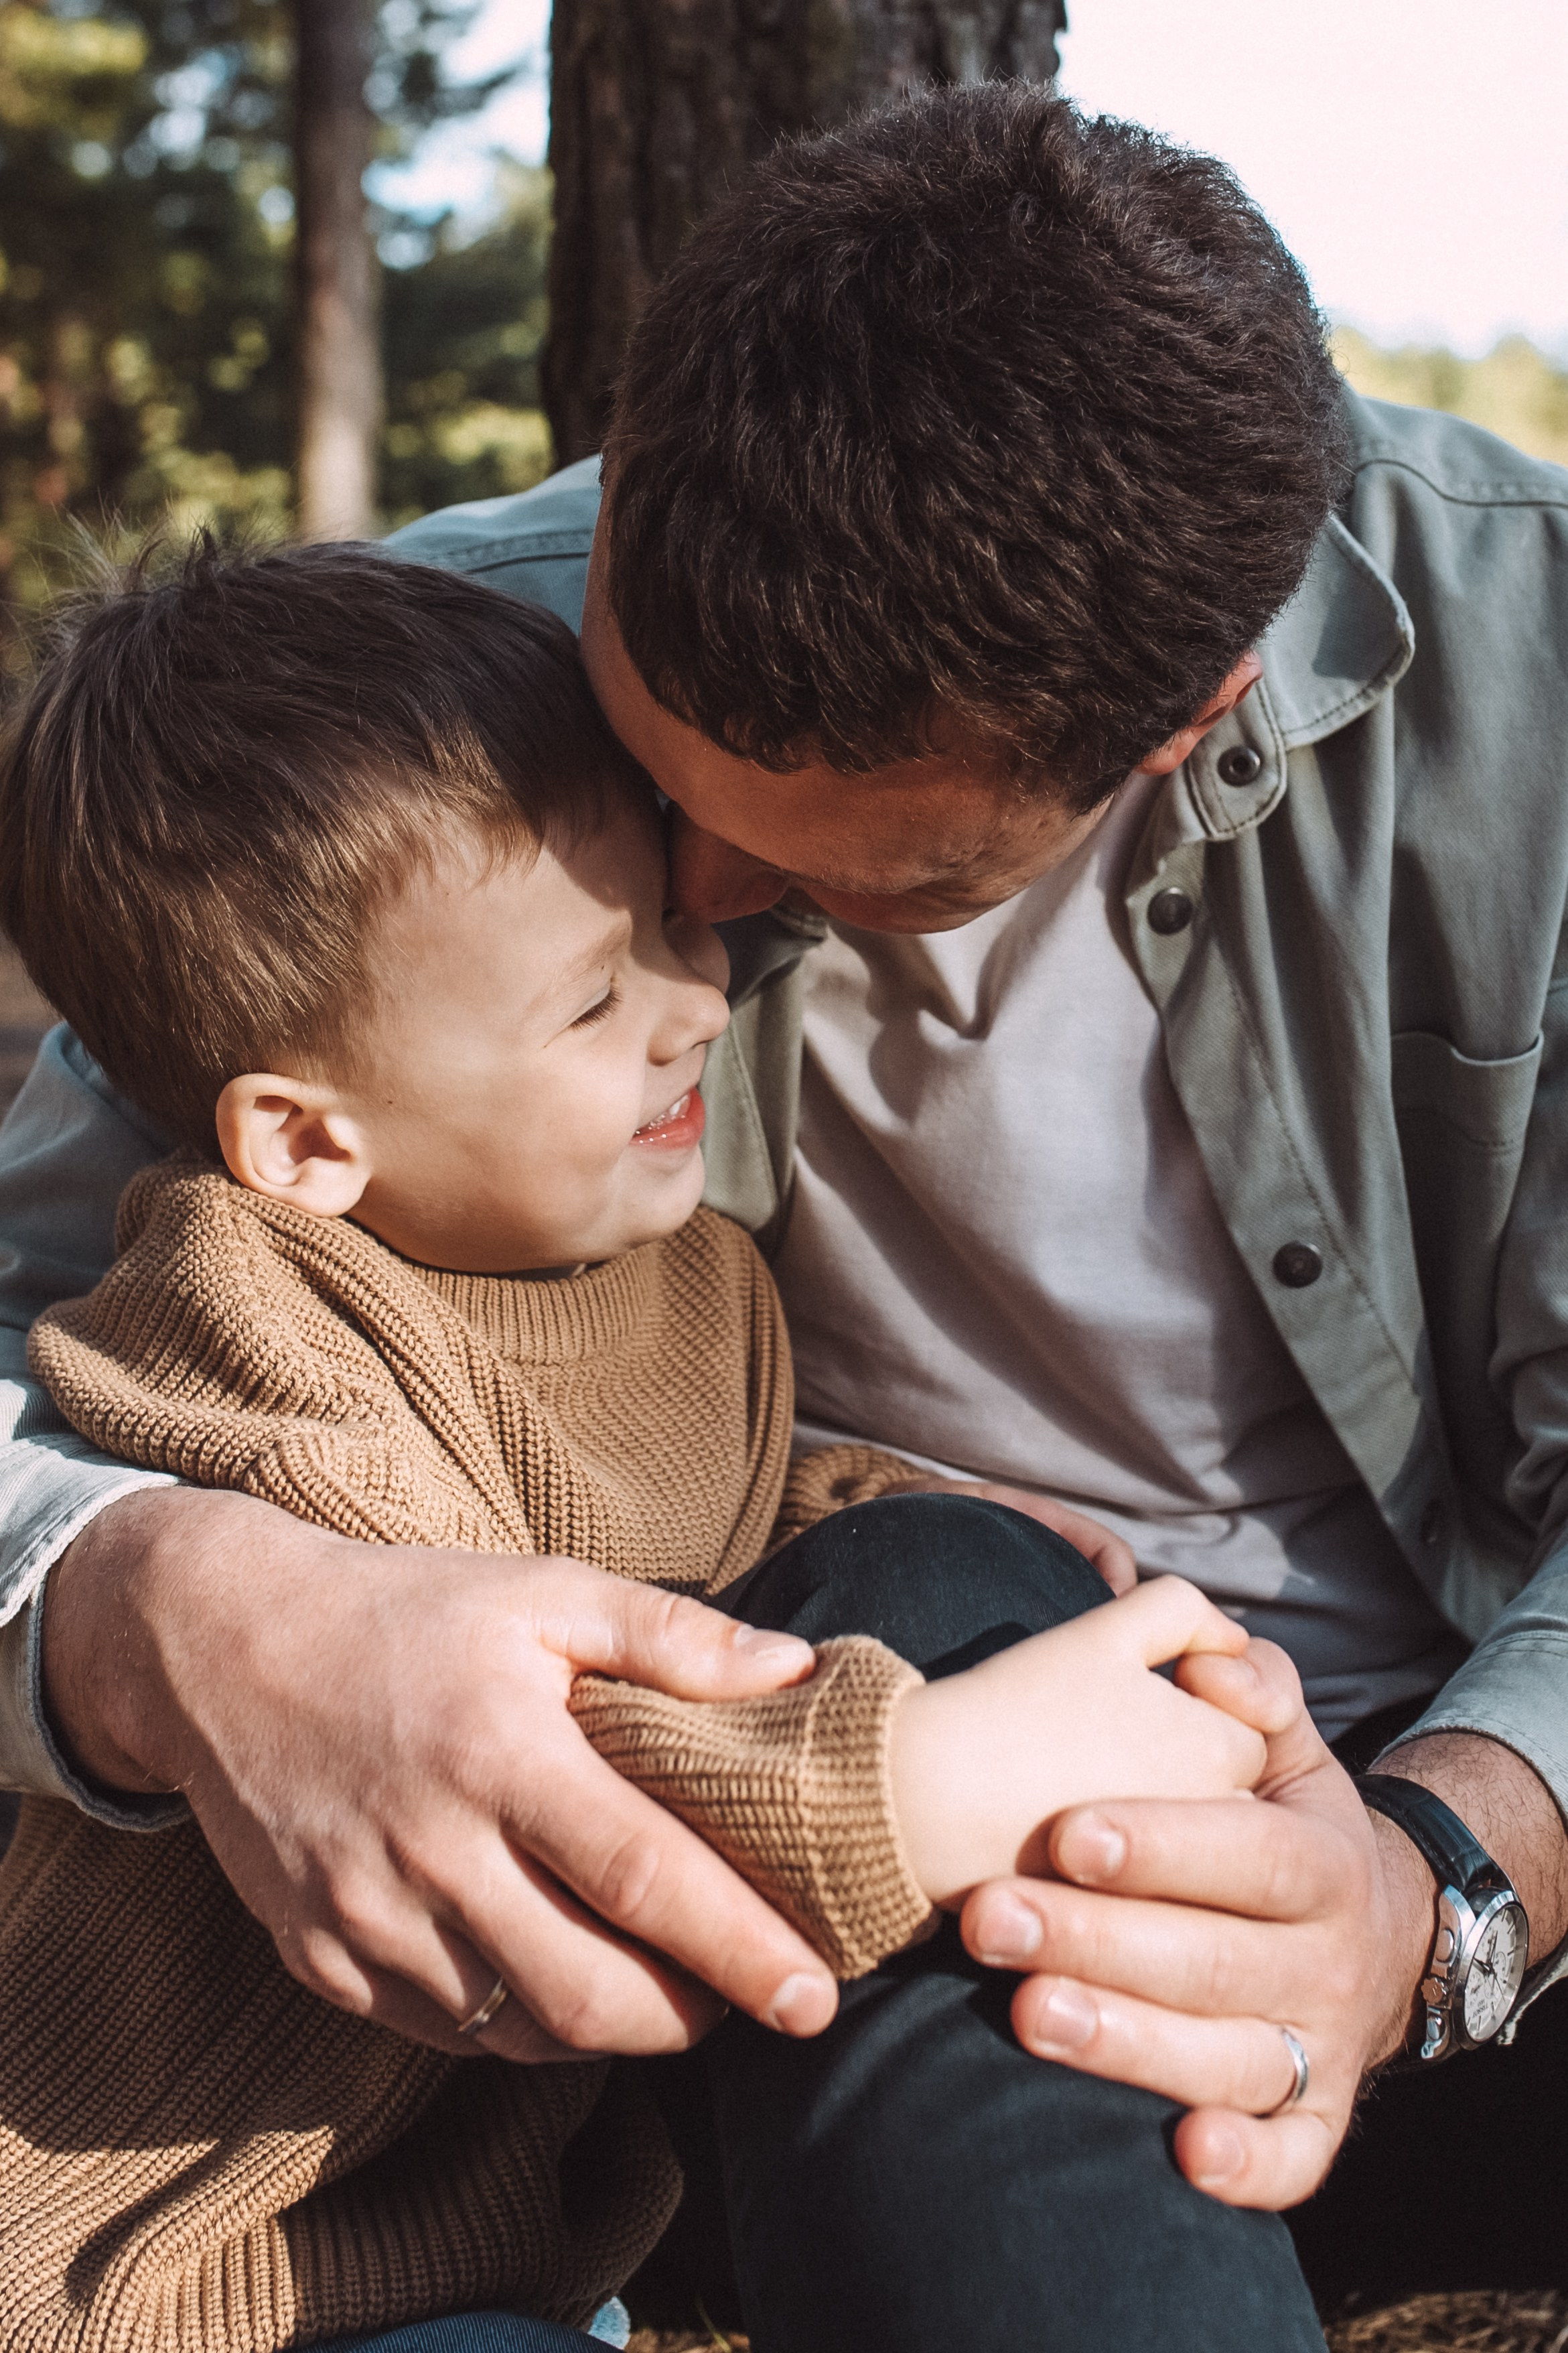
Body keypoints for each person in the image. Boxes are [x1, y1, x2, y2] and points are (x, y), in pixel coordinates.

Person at [2, 74, 1567, 2343]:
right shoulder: (417, 743)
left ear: (1184, 723)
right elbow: (44, 1313)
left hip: (1442, 1838)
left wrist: (1433, 1887)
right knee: (957, 1588)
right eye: (648, 780)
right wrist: (167, 1600)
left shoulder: (1529, 681)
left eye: (834, 867)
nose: (698, 930)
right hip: (828, 1909)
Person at [0, 537, 1295, 2353]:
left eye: (677, 933)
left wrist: (927, 1520)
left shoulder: (665, 1277)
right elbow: (522, 1773)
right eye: (593, 1002)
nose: (699, 1002)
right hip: (173, 2274)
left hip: (488, 2228)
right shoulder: (254, 1327)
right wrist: (942, 1771)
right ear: (308, 1147)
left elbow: (701, 1522)